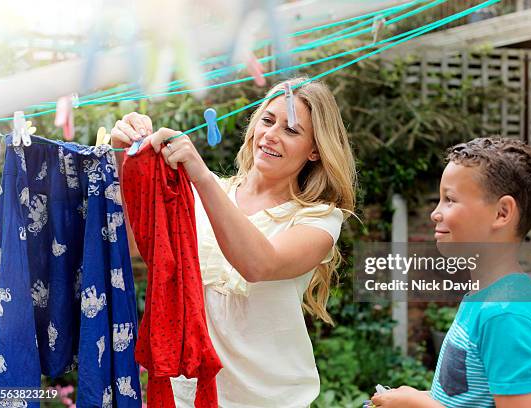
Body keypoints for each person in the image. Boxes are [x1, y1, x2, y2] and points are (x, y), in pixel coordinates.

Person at [110, 77, 356, 407]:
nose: (271, 135)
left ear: (315, 150)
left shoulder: (319, 218)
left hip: (272, 400)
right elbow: (144, 248)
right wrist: (123, 157)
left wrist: (200, 175)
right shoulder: (201, 193)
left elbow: (259, 264)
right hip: (189, 394)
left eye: (291, 130)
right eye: (267, 121)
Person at [371, 137, 531, 408]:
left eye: (450, 200)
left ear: (502, 213)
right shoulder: (483, 296)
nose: (436, 213)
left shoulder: (507, 314)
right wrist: (416, 397)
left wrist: (420, 406)